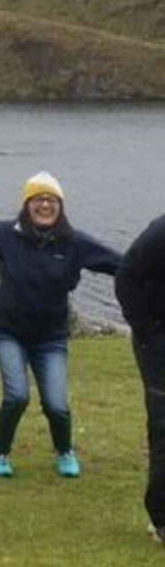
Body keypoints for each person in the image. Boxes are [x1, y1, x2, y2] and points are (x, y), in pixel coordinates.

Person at [0, 172, 120, 478]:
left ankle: (65, 452)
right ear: (26, 204)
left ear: (60, 206)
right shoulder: (5, 234)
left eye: (51, 200)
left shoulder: (74, 243)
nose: (44, 205)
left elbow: (123, 264)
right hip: (8, 331)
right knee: (17, 395)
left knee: (56, 404)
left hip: (51, 337)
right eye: (38, 199)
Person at [115, 214, 165, 549]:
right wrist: (147, 332)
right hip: (158, 338)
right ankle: (161, 517)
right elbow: (126, 277)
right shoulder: (161, 233)